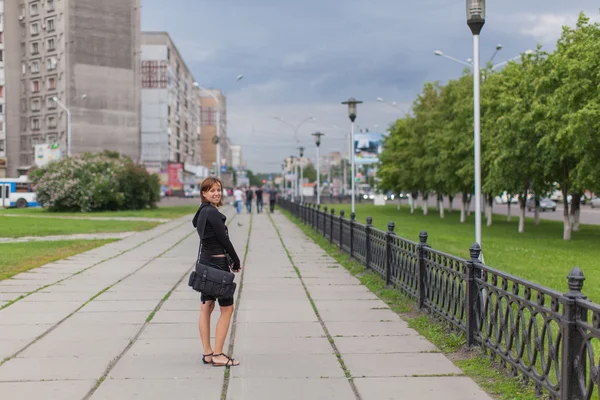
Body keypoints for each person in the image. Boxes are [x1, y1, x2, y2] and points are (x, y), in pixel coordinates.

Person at [192, 177, 241, 368]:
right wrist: (235, 260)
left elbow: (199, 228)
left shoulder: (201, 212)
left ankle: (207, 353)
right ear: (204, 193)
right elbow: (223, 240)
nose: (216, 193)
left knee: (206, 307)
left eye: (218, 190)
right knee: (227, 309)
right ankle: (219, 355)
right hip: (218, 265)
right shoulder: (212, 212)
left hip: (205, 263)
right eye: (211, 190)